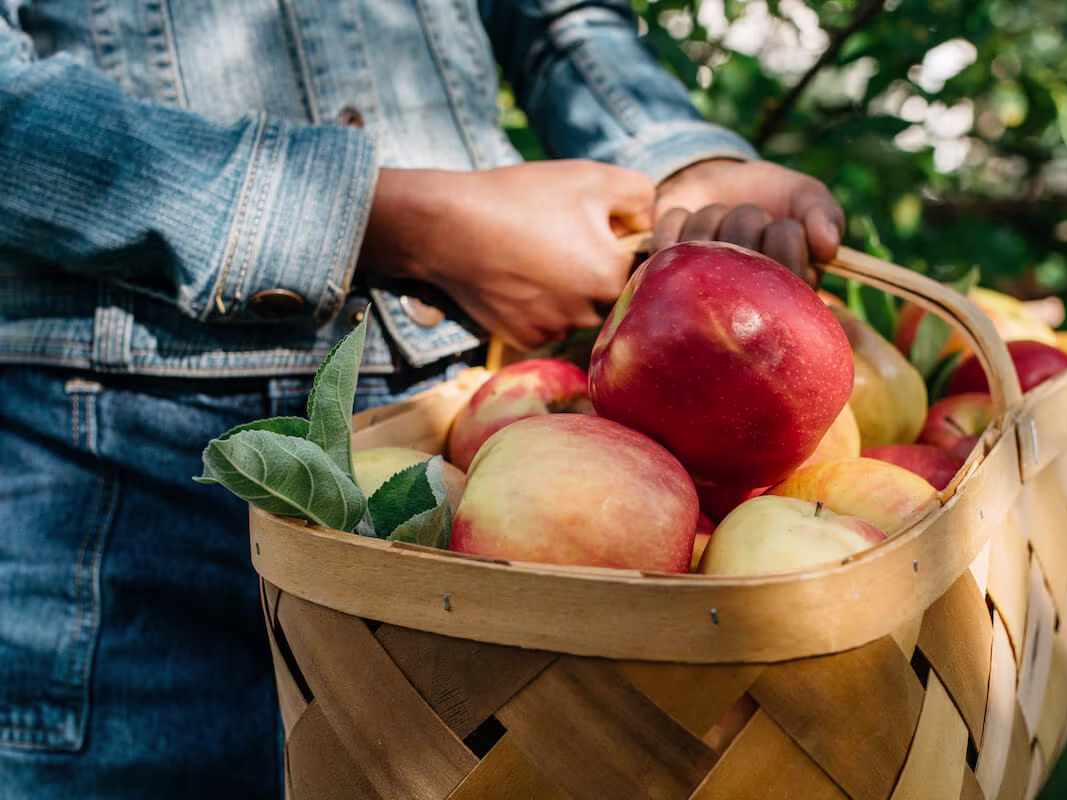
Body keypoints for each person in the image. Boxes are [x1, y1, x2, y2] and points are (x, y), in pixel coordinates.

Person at [0, 2, 844, 797]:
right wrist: (416, 221)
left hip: (453, 415)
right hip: (112, 461)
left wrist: (682, 161)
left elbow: (558, 16)